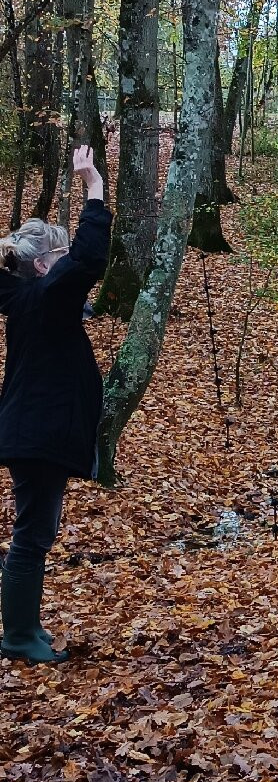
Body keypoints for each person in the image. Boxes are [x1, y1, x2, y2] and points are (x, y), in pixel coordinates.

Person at [0, 146, 112, 663]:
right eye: (59, 258)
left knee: (36, 533)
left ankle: (27, 627)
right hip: (38, 435)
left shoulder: (20, 296)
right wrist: (93, 189)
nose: (67, 264)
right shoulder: (46, 296)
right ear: (44, 264)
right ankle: (19, 636)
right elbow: (89, 257)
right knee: (31, 536)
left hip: (33, 432)